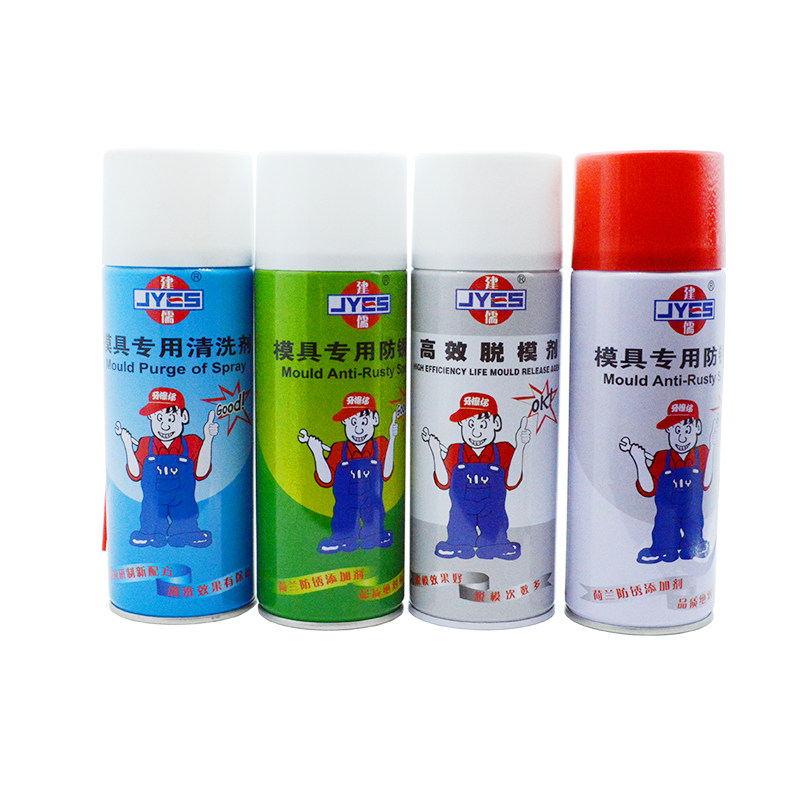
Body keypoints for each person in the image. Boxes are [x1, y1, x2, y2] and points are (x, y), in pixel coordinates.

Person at [423, 392, 531, 560]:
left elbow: (512, 482)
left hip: (492, 510)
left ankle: (495, 545)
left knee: (494, 527)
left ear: (496, 423)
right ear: (461, 424)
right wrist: (435, 452)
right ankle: (458, 545)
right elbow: (443, 482)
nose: (476, 433)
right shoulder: (455, 450)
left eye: (483, 425)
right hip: (462, 511)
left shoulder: (504, 450)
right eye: (470, 425)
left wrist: (520, 446)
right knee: (459, 526)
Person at [116, 387, 218, 548]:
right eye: (159, 419)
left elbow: (201, 472)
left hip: (183, 501)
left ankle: (186, 533)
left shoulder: (192, 442)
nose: (164, 426)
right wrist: (127, 445)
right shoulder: (145, 444)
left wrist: (208, 439)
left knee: (186, 515)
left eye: (171, 419)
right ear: (150, 418)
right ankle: (150, 535)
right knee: (151, 514)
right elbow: (135, 474)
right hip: (154, 502)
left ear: (184, 417)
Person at [621, 399, 716, 564]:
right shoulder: (661, 457)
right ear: (668, 431)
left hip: (691, 510)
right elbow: (648, 489)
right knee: (665, 527)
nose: (681, 438)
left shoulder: (702, 453)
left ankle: (694, 547)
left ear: (698, 428)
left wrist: (713, 446)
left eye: (687, 430)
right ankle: (663, 550)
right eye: (676, 431)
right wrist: (639, 461)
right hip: (667, 512)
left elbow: (706, 483)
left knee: (693, 526)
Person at [302, 392, 398, 554]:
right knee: (344, 517)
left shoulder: (381, 444)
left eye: (364, 422)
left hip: (372, 502)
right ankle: (342, 540)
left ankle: (374, 536)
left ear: (375, 420)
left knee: (373, 516)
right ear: (345, 422)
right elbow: (326, 479)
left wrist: (393, 438)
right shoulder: (338, 449)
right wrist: (317, 453)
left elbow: (387, 473)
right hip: (346, 504)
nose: (358, 429)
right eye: (353, 423)